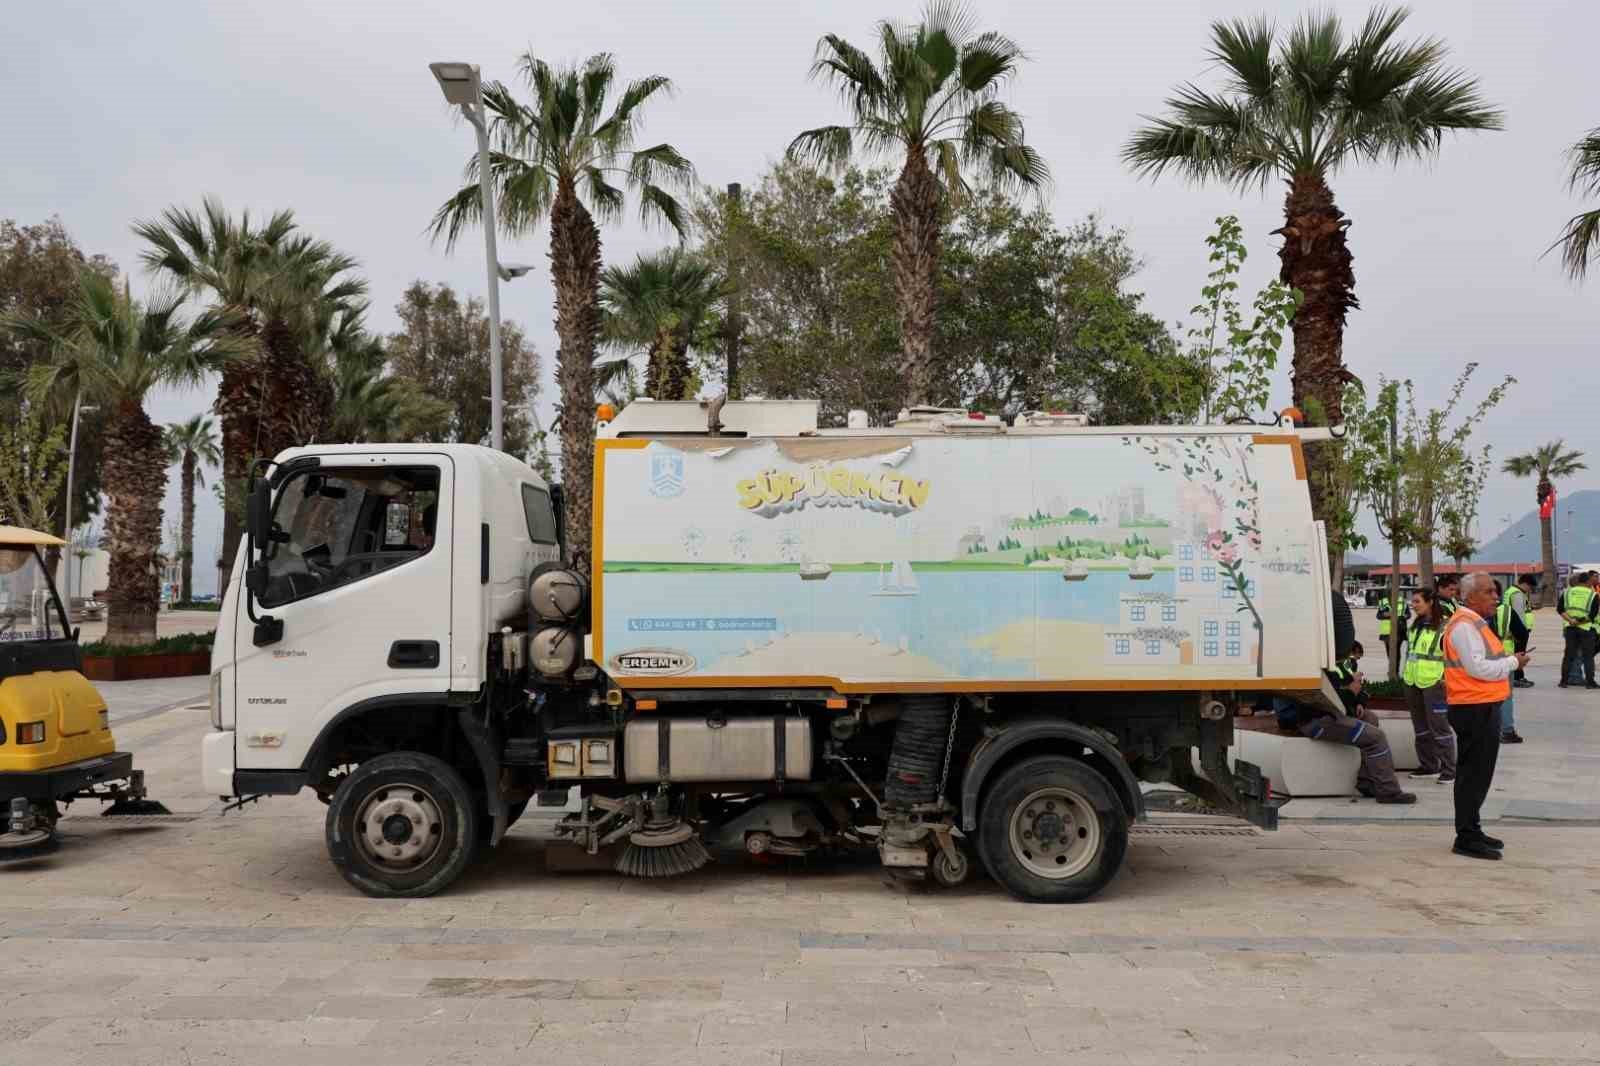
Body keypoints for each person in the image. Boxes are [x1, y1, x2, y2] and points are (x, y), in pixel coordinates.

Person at [1442, 573, 1530, 860]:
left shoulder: (1474, 623)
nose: (1496, 596)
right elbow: (1478, 669)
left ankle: (1472, 829)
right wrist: (1514, 662)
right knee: (1473, 775)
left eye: (1495, 591)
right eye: (1489, 591)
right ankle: (1466, 836)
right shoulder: (1465, 626)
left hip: (1481, 706)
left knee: (1478, 774)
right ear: (1470, 596)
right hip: (1473, 709)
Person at [1296, 652, 1416, 805]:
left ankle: (1366, 781)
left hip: (1335, 715)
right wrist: (1351, 692)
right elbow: (1331, 701)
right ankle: (1388, 791)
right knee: (1376, 738)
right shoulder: (1321, 664)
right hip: (1319, 721)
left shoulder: (1340, 662)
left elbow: (1357, 688)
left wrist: (1359, 700)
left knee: (1370, 718)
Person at [1403, 589, 1456, 781]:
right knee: (1420, 727)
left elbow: (1454, 656)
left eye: (1417, 601)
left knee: (1439, 728)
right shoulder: (1415, 625)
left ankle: (1449, 770)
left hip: (1434, 683)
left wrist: (1446, 678)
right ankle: (1428, 765)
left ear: (1430, 602)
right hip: (1412, 681)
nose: (1413, 605)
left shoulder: (1445, 626)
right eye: (1413, 601)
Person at [1492, 580, 1529, 744]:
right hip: (1505, 656)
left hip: (1481, 658)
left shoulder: (1471, 612)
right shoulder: (1507, 611)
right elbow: (1522, 633)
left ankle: (1489, 729)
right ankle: (1506, 731)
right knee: (1505, 695)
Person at [1558, 570, 1599, 690]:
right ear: (1587, 581)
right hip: (1586, 629)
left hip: (1570, 628)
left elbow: (1560, 609)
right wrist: (1580, 622)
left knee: (1568, 655)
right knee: (1588, 656)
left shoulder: (1567, 592)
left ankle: (1563, 681)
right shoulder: (1593, 595)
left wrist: (1571, 620)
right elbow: (1592, 615)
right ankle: (1590, 683)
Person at [1507, 574, 1538, 688]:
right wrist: (1521, 630)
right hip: (1519, 630)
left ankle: (1519, 677)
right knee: (1520, 653)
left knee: (1519, 652)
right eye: (1530, 587)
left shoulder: (1513, 591)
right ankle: (1518, 678)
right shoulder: (1517, 594)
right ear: (1524, 583)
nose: (1530, 590)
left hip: (1517, 628)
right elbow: (1518, 613)